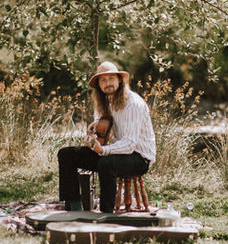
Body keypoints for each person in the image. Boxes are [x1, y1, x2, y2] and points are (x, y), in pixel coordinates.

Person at [58, 61, 156, 213]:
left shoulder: (134, 104)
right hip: (116, 152)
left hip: (139, 157)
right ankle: (74, 206)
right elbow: (101, 128)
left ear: (120, 80)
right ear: (99, 85)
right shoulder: (104, 100)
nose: (107, 83)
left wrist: (103, 150)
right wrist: (94, 131)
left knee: (106, 163)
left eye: (111, 78)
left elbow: (129, 144)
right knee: (67, 154)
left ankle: (106, 212)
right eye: (103, 80)